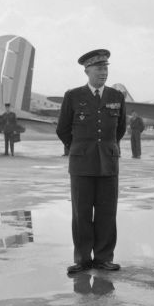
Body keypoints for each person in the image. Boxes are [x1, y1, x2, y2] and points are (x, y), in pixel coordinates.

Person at [56, 49, 126, 275]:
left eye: (106, 68)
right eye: (98, 69)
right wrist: (79, 148)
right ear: (87, 71)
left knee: (107, 212)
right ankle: (83, 259)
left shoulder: (117, 97)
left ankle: (104, 258)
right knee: (81, 213)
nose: (103, 73)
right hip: (81, 164)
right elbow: (63, 129)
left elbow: (120, 129)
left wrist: (107, 147)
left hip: (108, 163)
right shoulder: (73, 96)